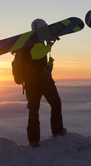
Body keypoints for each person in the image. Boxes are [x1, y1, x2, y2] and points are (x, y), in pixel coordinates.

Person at [13, 19, 67, 147]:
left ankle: (33, 140)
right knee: (55, 103)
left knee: (33, 110)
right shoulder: (35, 43)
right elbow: (36, 55)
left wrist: (49, 64)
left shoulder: (27, 44)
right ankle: (57, 131)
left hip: (30, 83)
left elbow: (35, 61)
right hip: (42, 81)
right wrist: (49, 44)